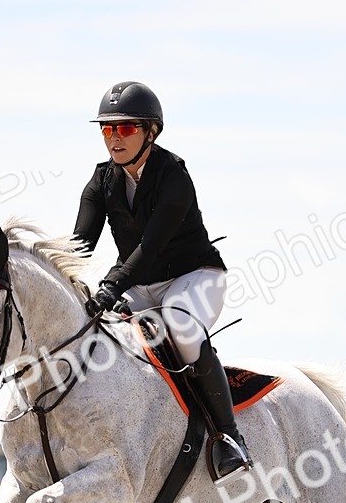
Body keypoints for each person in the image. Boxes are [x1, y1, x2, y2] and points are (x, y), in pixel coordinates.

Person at [73, 80, 251, 478]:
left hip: (194, 278)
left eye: (125, 128)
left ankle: (229, 437)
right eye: (107, 129)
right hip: (138, 285)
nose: (114, 138)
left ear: (150, 132)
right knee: (98, 336)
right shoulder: (101, 181)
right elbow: (78, 247)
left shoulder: (173, 175)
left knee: (181, 327)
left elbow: (149, 247)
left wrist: (110, 286)